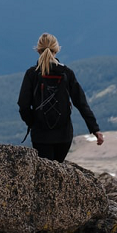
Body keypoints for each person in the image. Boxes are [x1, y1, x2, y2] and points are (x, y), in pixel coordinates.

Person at [18, 32, 103, 163]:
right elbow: (81, 103)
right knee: (57, 170)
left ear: (38, 50)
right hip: (64, 135)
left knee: (45, 175)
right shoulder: (67, 73)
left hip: (41, 135)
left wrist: (32, 122)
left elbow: (23, 105)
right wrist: (95, 129)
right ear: (56, 49)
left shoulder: (32, 74)